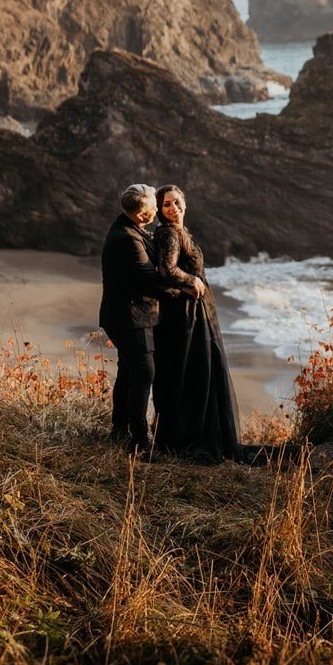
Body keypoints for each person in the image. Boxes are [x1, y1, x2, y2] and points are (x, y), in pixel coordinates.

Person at [149, 183, 249, 462]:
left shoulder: (181, 232)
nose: (173, 208)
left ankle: (199, 432)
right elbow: (166, 269)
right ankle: (188, 436)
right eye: (167, 204)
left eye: (177, 202)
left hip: (195, 310)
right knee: (193, 371)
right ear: (159, 209)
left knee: (201, 370)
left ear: (185, 203)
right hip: (185, 315)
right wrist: (191, 280)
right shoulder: (168, 234)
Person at [98, 183, 166, 455]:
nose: (157, 211)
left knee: (128, 371)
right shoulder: (127, 238)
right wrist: (185, 286)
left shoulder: (129, 228)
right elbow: (149, 280)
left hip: (124, 314)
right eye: (153, 208)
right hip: (129, 317)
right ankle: (139, 441)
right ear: (141, 215)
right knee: (143, 372)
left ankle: (119, 429)